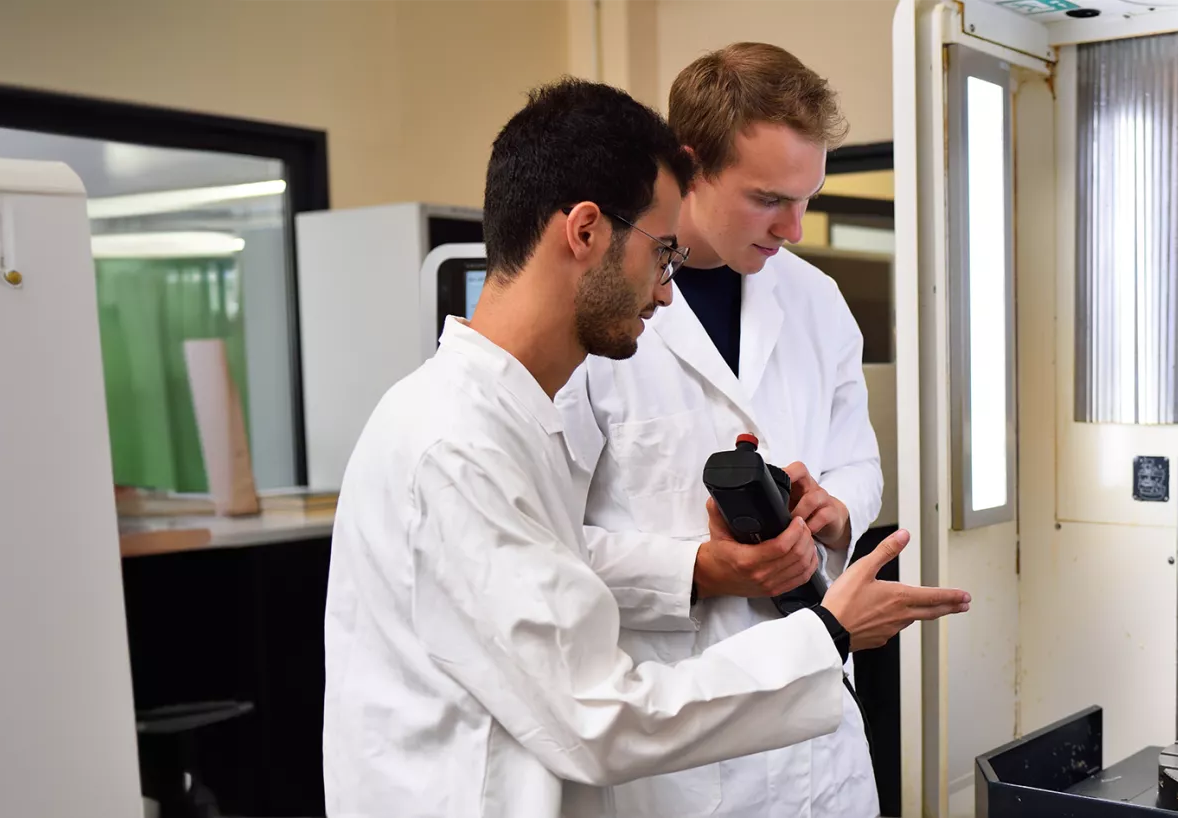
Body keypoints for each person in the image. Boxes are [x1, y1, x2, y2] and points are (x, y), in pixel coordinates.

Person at [319, 78, 970, 818]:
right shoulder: (454, 447)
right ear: (586, 232)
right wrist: (824, 629)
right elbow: (599, 714)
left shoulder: (508, 423)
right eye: (663, 254)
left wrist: (829, 538)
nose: (666, 293)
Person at [554, 43, 887, 818]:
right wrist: (701, 569)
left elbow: (858, 461)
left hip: (817, 732)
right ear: (690, 164)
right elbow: (547, 545)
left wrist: (834, 510)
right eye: (770, 198)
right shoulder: (602, 312)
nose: (797, 229)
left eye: (808, 197)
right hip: (678, 755)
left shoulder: (816, 300)